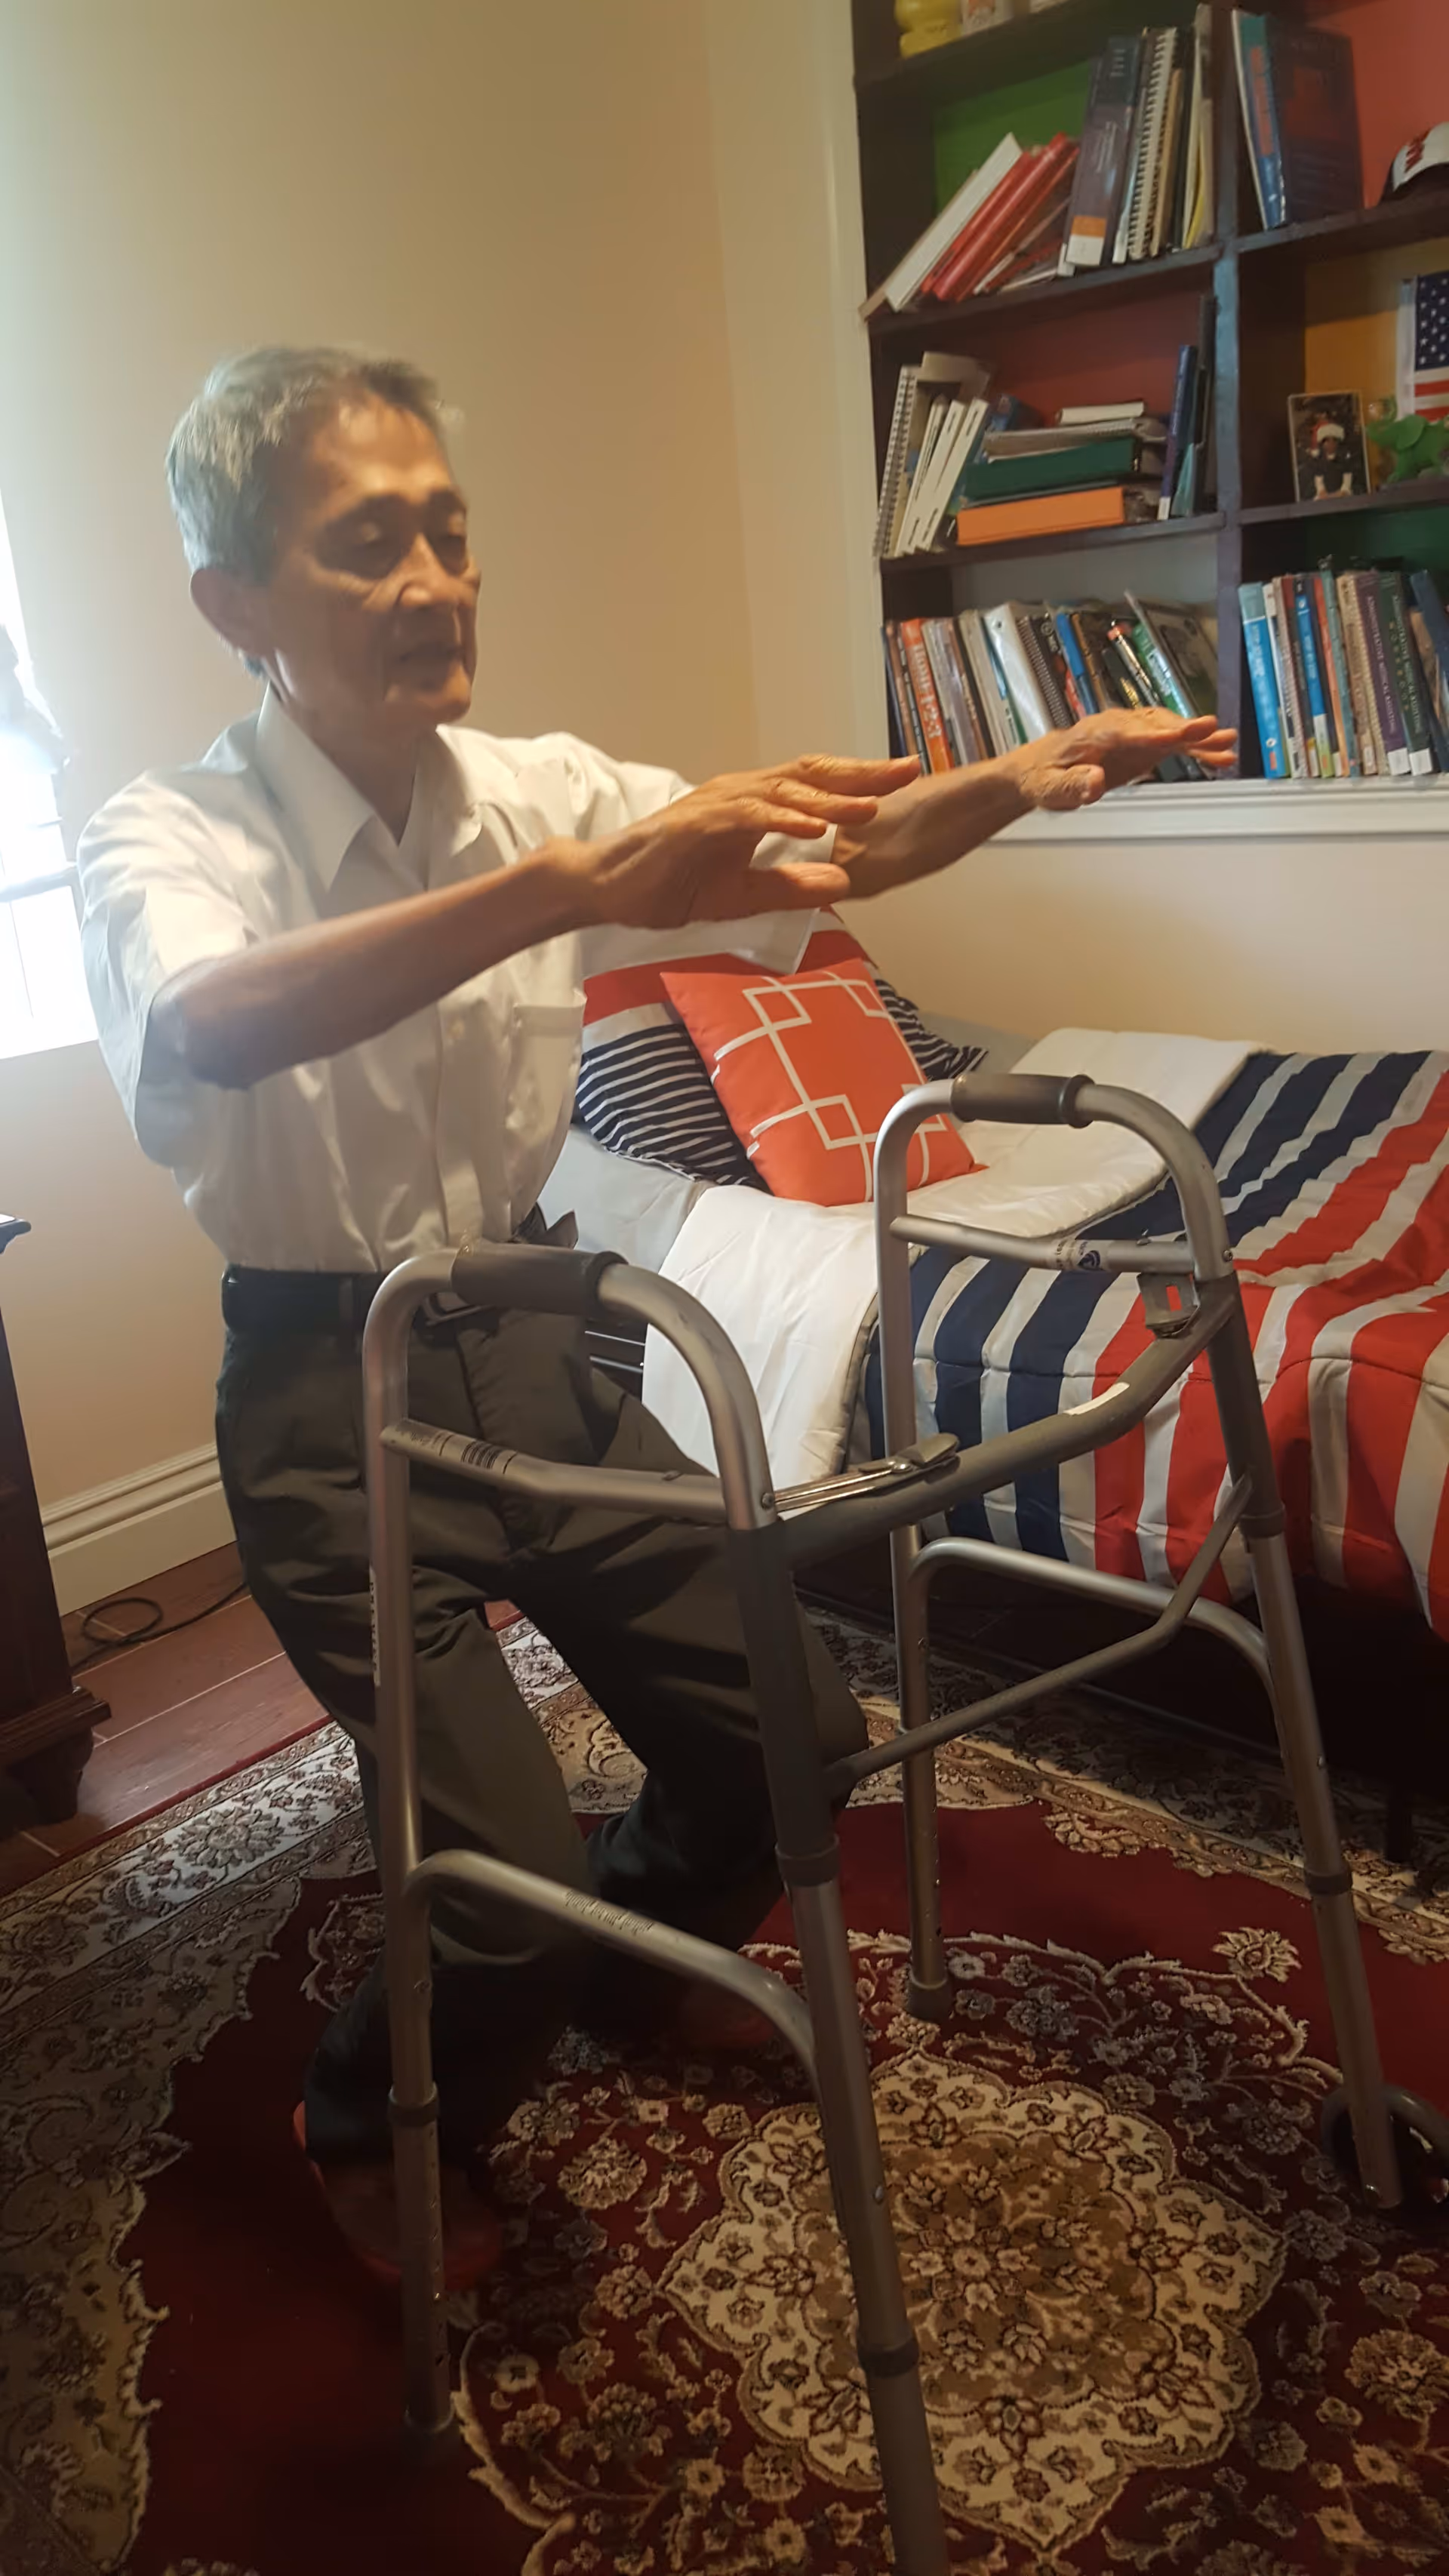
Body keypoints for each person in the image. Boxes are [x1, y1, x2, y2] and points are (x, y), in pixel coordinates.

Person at [78, 346, 1234, 2282]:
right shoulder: (165, 836)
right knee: (497, 1887)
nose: (439, 579)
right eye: (371, 544)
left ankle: (631, 1952)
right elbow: (210, 1018)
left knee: (794, 1741)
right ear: (239, 607)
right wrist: (559, 891)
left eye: (452, 531)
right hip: (324, 1385)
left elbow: (824, 849)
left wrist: (1026, 781)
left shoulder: (542, 793)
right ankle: (369, 2101)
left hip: (542, 1339)